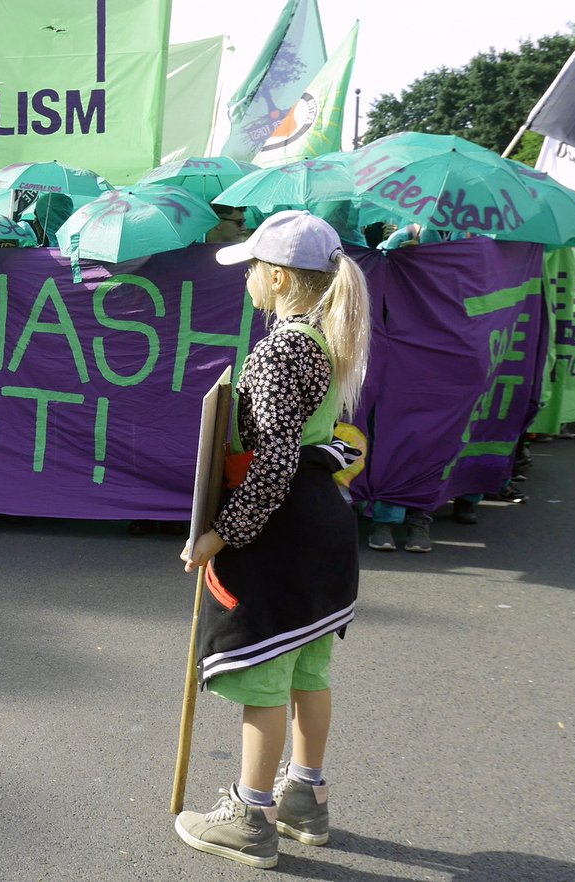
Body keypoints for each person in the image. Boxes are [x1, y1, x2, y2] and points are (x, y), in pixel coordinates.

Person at [176, 210, 372, 869]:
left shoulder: (285, 348)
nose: (249, 280)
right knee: (308, 667)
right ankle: (304, 797)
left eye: (254, 268)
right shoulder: (319, 339)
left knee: (263, 666)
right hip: (323, 523)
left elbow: (275, 461)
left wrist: (221, 535)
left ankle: (252, 813)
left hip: (284, 529)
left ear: (279, 275)